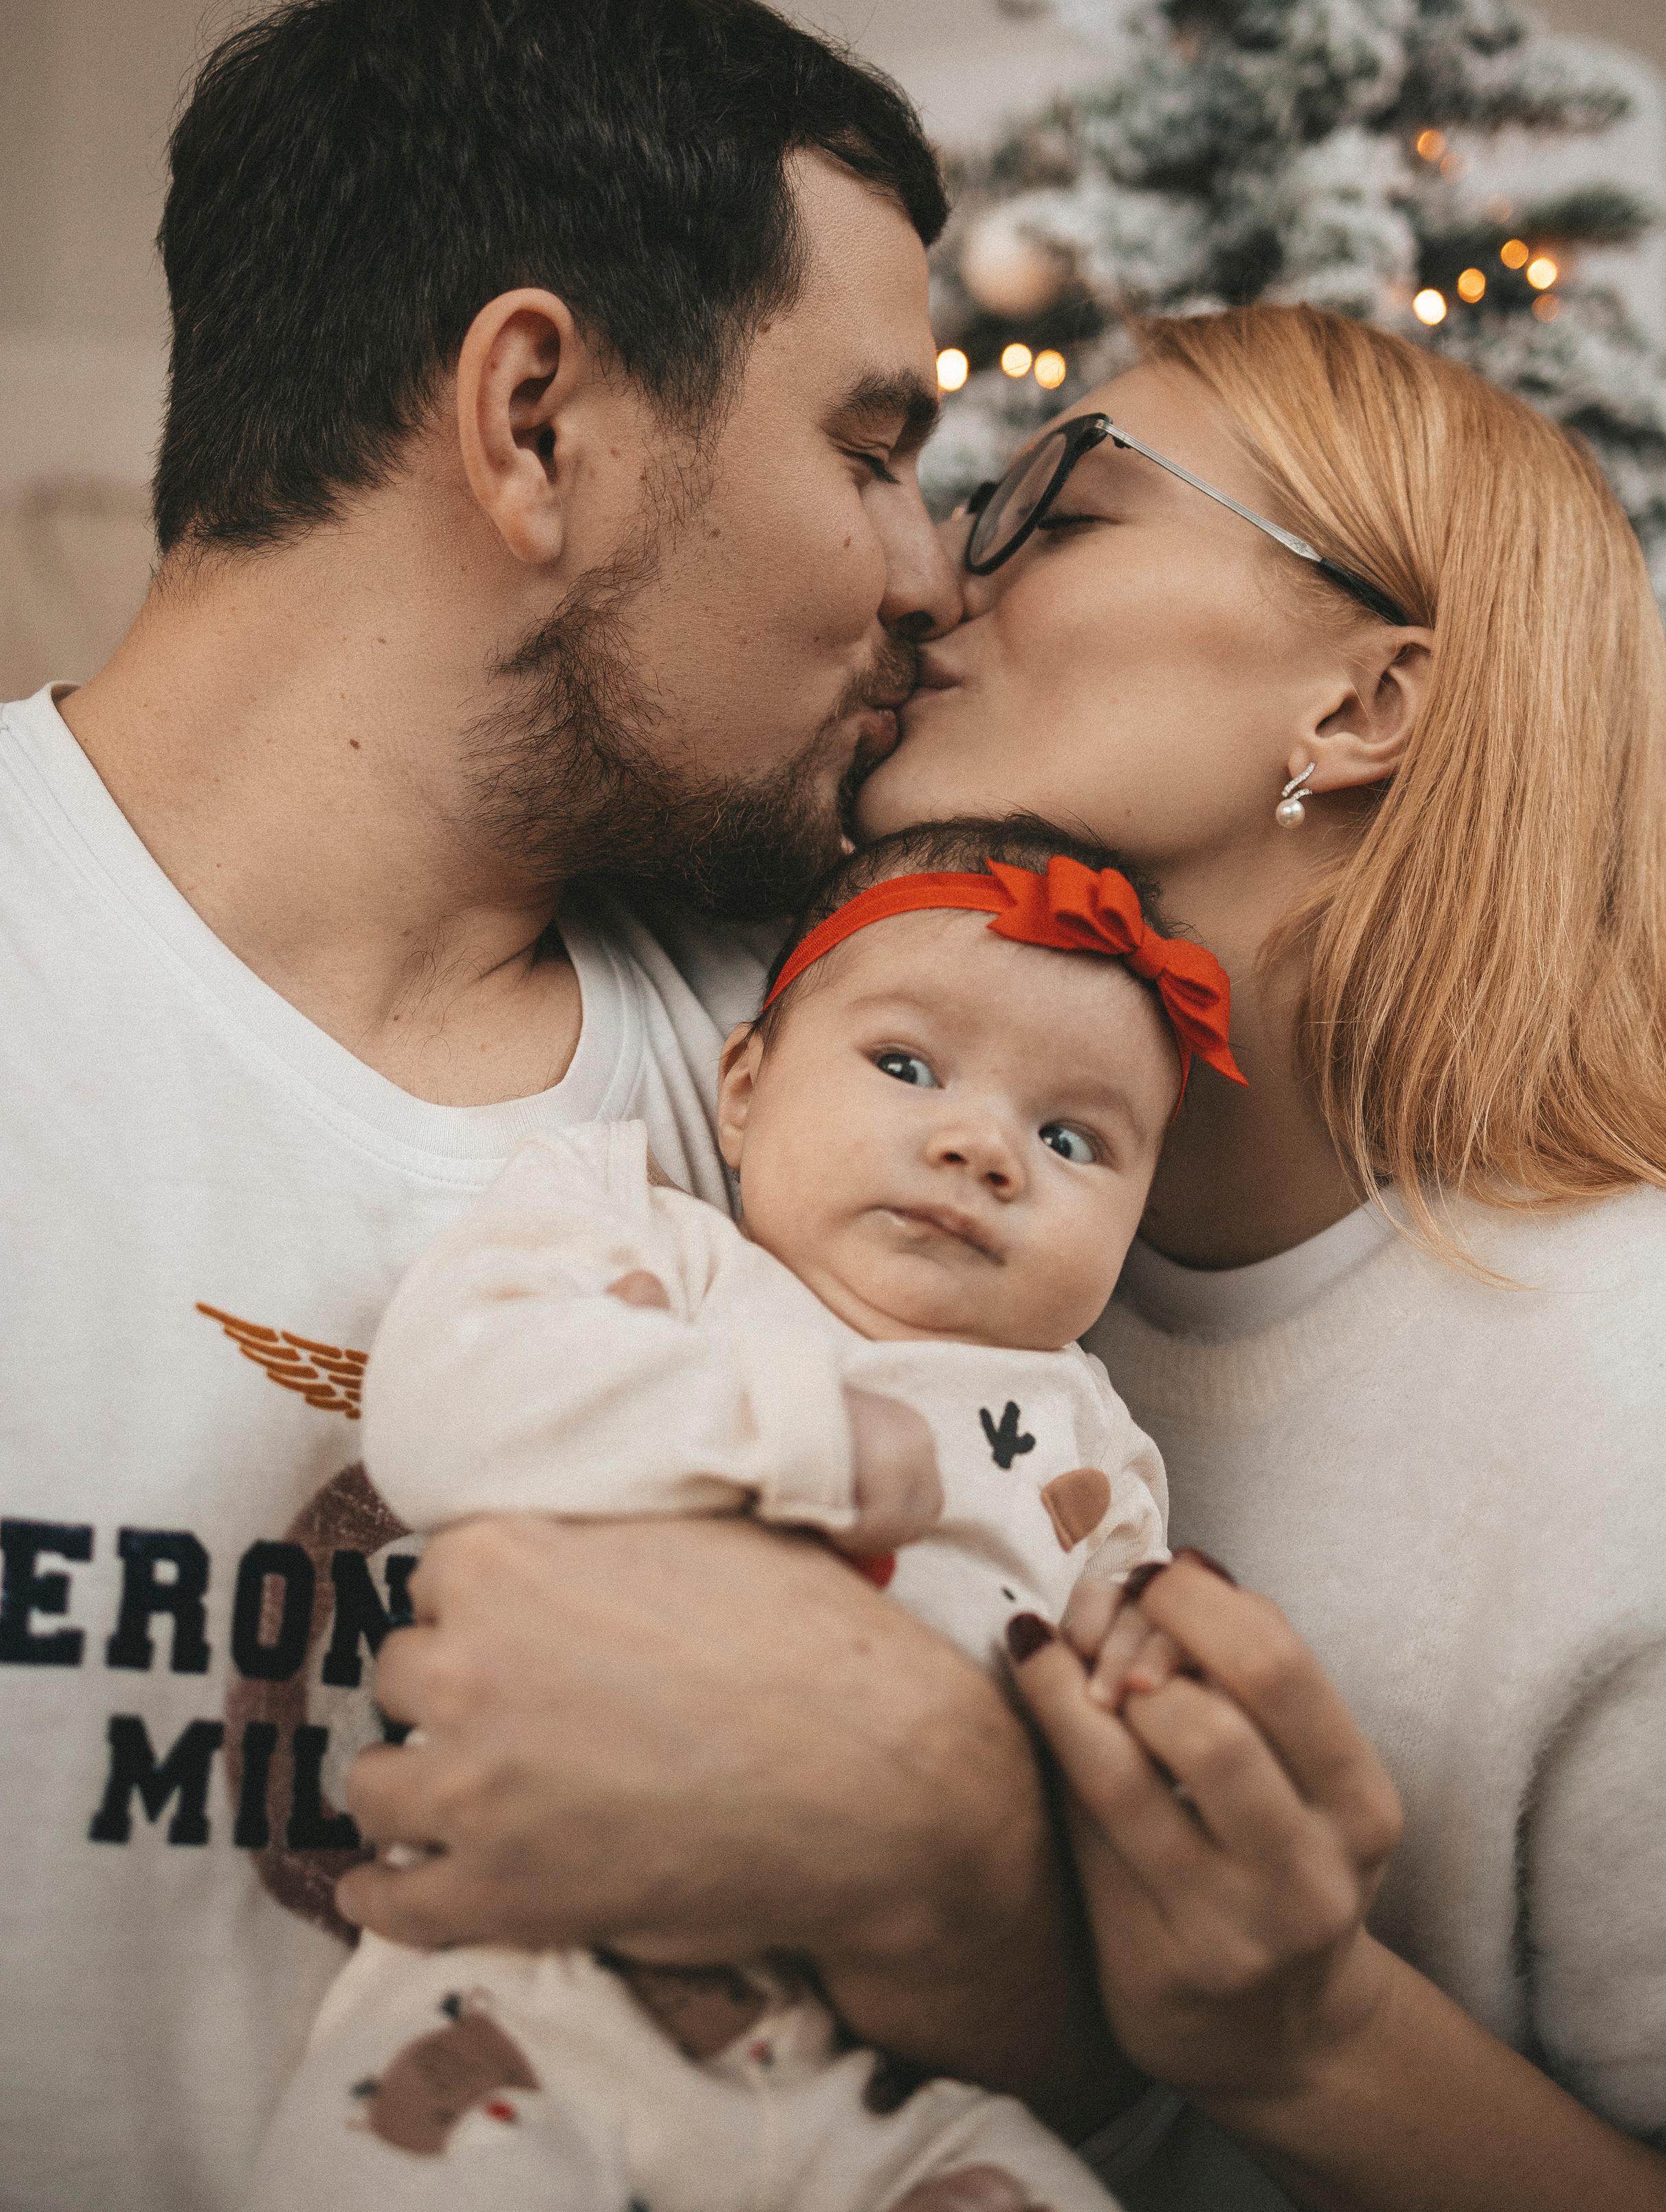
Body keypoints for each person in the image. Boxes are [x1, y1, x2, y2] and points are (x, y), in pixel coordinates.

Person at [347, 304, 1666, 2209]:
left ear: (1357, 707)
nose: (930, 580)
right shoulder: (788, 1147)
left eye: (1054, 505)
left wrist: (1317, 2039)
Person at [0, 0, 1071, 2212]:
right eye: (875, 447)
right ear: (536, 421)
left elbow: (1086, 2035)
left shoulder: (844, 1091)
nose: (930, 573)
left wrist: (953, 1837)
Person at [250, 822, 1238, 2212]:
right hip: (521, 2002)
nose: (979, 1147)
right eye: (906, 1067)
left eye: (1070, 1138)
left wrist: (1167, 1703)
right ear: (741, 1087)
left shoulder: (1092, 1440)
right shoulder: (645, 1248)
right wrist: (796, 1436)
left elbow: (1110, 1742)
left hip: (877, 2080)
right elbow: (448, 1404)